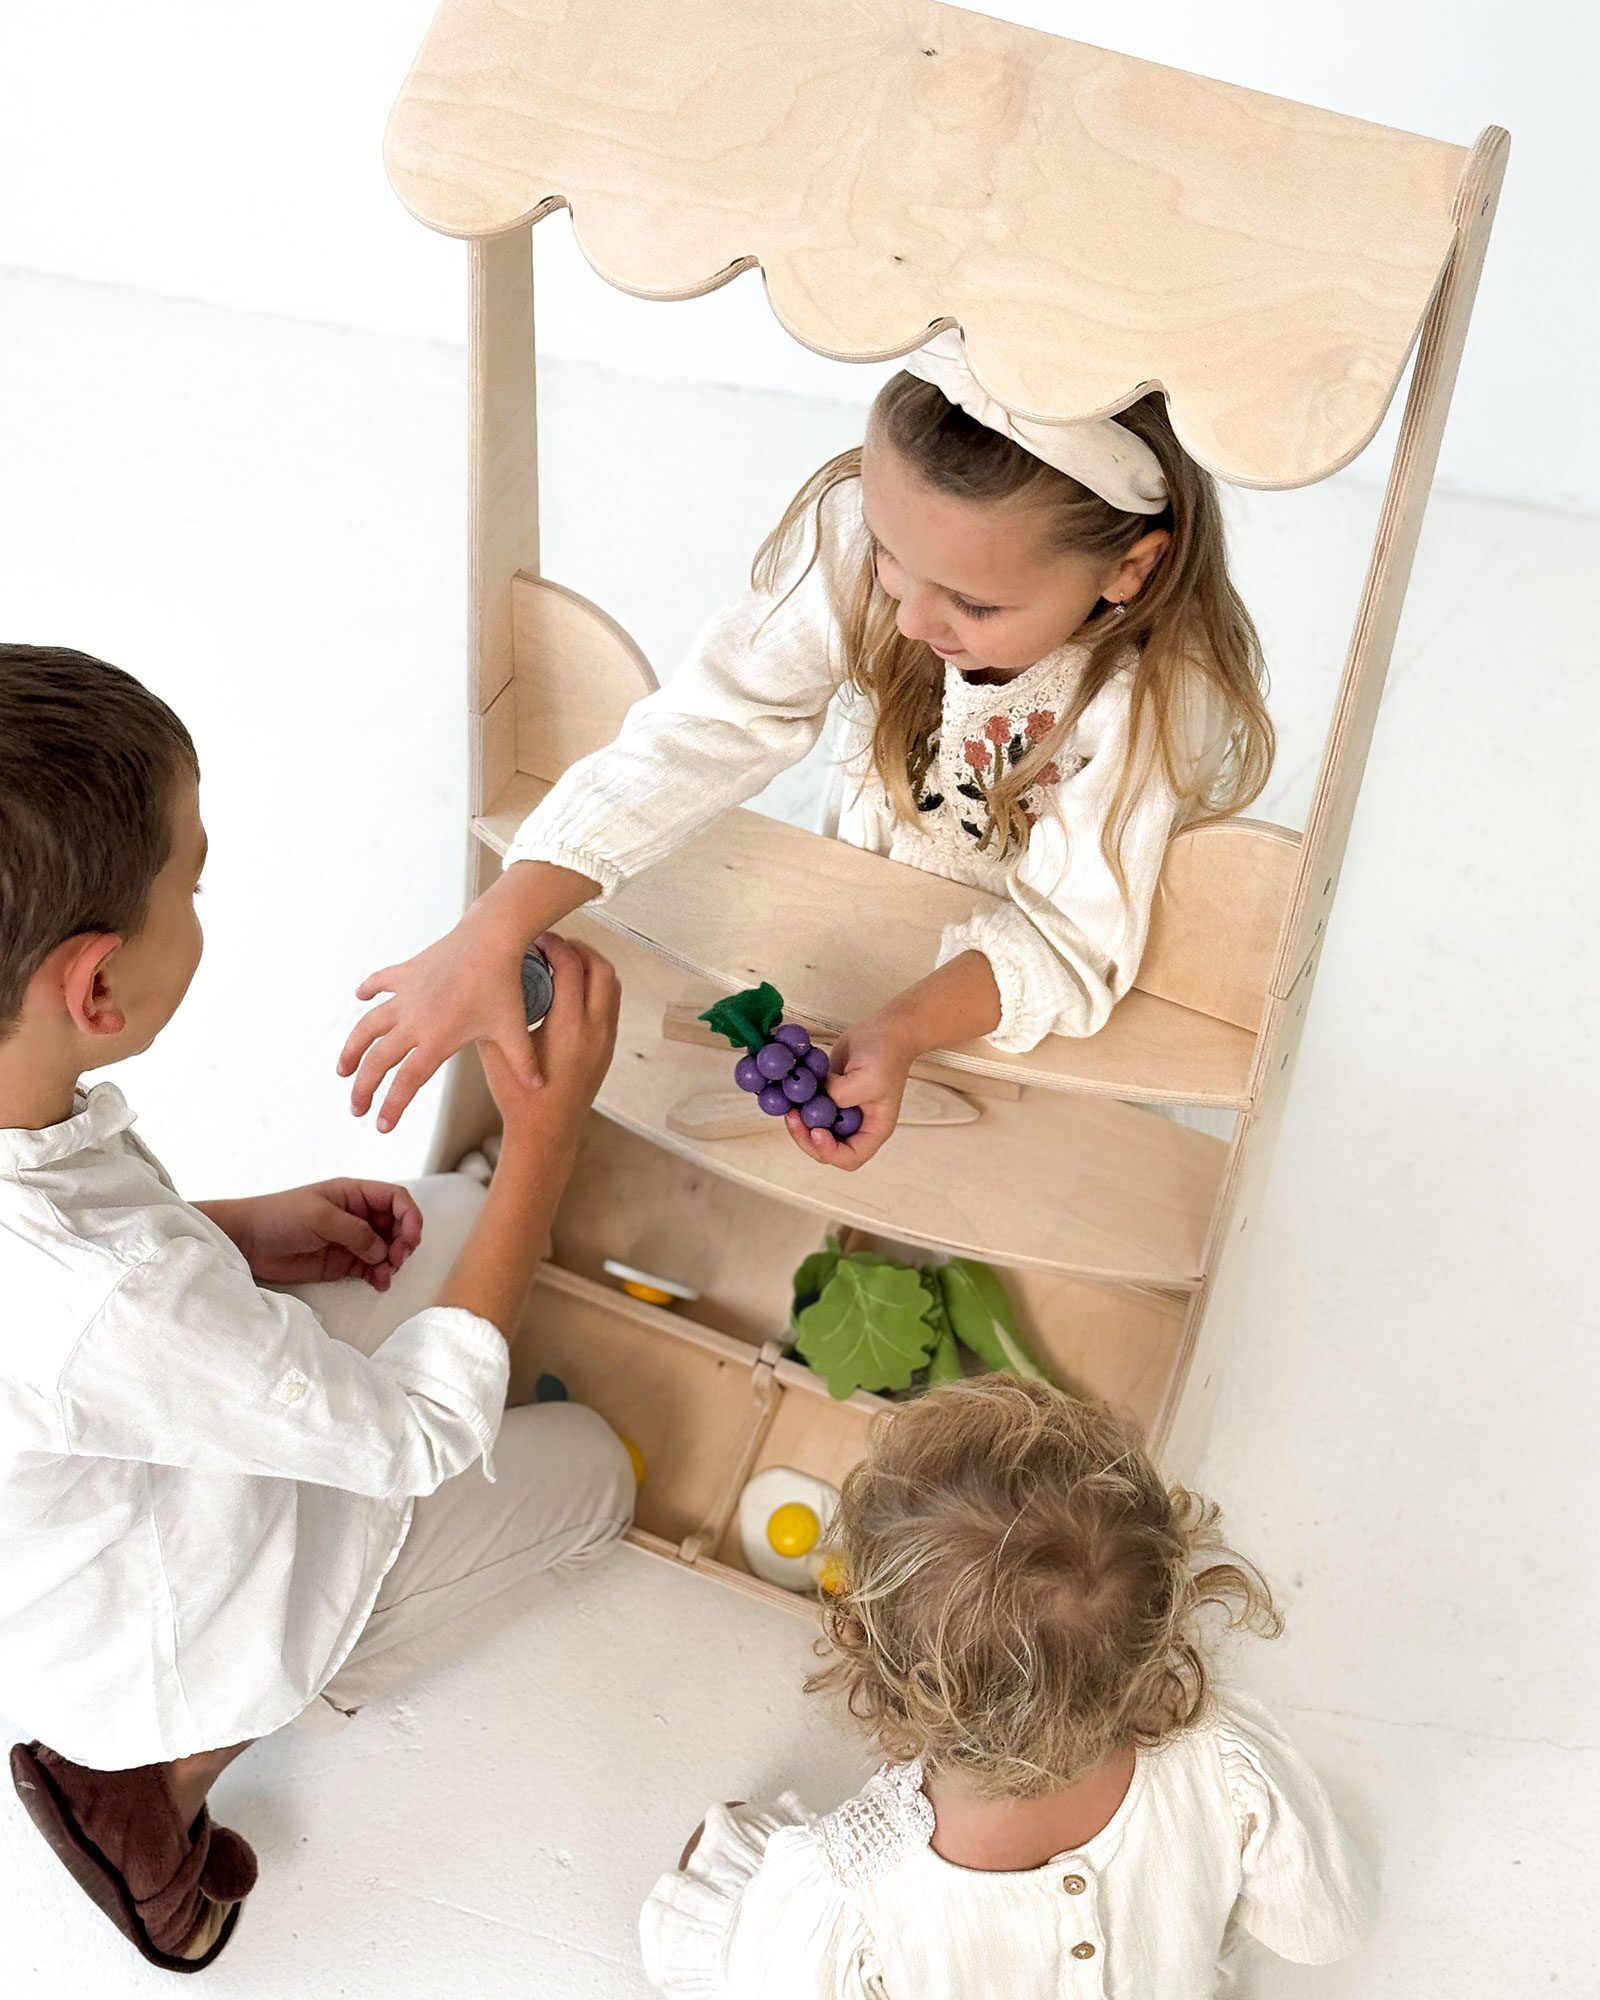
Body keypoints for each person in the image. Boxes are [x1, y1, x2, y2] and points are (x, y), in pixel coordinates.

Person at [0, 646, 634, 1971]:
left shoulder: (61, 1199)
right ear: (96, 987)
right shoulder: (113, 1303)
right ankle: (153, 1779)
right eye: (195, 879)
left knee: (437, 1234)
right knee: (596, 1477)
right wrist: (544, 1146)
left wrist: (230, 1234)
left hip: (70, 1517)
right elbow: (410, 1439)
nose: (202, 899)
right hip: (140, 1635)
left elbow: (87, 1283)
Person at [339, 329, 1273, 1170]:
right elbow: (713, 723)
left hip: (1017, 1004)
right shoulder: (874, 530)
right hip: (874, 914)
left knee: (1014, 1158)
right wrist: (496, 925)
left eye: (975, 606)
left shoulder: (1148, 697)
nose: (908, 616)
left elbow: (1070, 940)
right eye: (887, 559)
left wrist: (906, 1028)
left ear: (1129, 569)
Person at [640, 1375, 1371, 1996]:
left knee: (719, 1841)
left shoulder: (849, 1883)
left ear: (882, 1668)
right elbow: (1321, 1925)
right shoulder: (1223, 1757)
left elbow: (770, 1978)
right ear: (1159, 1632)